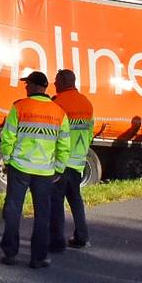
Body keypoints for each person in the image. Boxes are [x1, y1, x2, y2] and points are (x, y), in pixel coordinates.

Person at [0, 70, 71, 269]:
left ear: (35, 86)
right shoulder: (59, 112)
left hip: (20, 167)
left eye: (27, 84)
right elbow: (64, 144)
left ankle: (10, 253)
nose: (26, 87)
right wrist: (58, 168)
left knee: (14, 210)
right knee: (42, 214)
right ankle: (38, 257)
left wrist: (7, 160)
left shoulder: (19, 107)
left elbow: (8, 137)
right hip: (45, 172)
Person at [49, 69, 93, 251]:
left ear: (64, 81)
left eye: (56, 80)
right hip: (78, 161)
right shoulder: (87, 103)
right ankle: (82, 237)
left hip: (61, 161)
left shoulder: (58, 103)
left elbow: (54, 134)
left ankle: (57, 241)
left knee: (56, 202)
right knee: (75, 199)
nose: (54, 84)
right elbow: (89, 133)